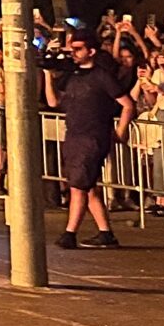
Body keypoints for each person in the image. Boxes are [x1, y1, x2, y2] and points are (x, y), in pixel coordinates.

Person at [45, 28, 132, 250]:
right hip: (73, 134)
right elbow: (54, 102)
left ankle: (70, 232)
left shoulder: (102, 76)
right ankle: (105, 233)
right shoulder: (72, 76)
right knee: (88, 186)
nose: (73, 52)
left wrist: (121, 130)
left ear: (91, 51)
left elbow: (128, 104)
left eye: (78, 49)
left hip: (92, 137)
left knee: (78, 187)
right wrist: (47, 74)